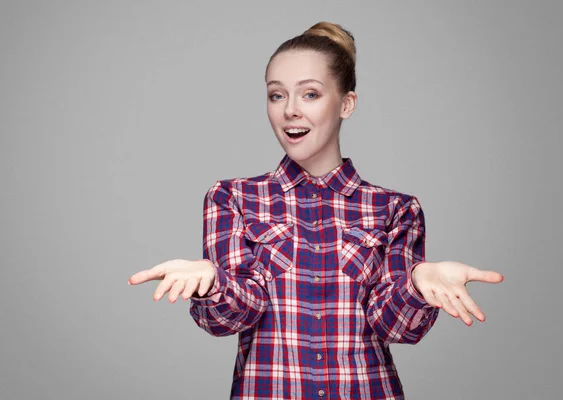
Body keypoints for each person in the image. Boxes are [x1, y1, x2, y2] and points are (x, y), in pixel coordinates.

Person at [128, 21, 504, 399]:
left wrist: (418, 282)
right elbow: (231, 317)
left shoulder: (395, 209)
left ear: (346, 104)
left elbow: (397, 328)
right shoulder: (232, 198)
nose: (290, 110)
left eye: (310, 94)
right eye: (277, 96)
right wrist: (210, 279)